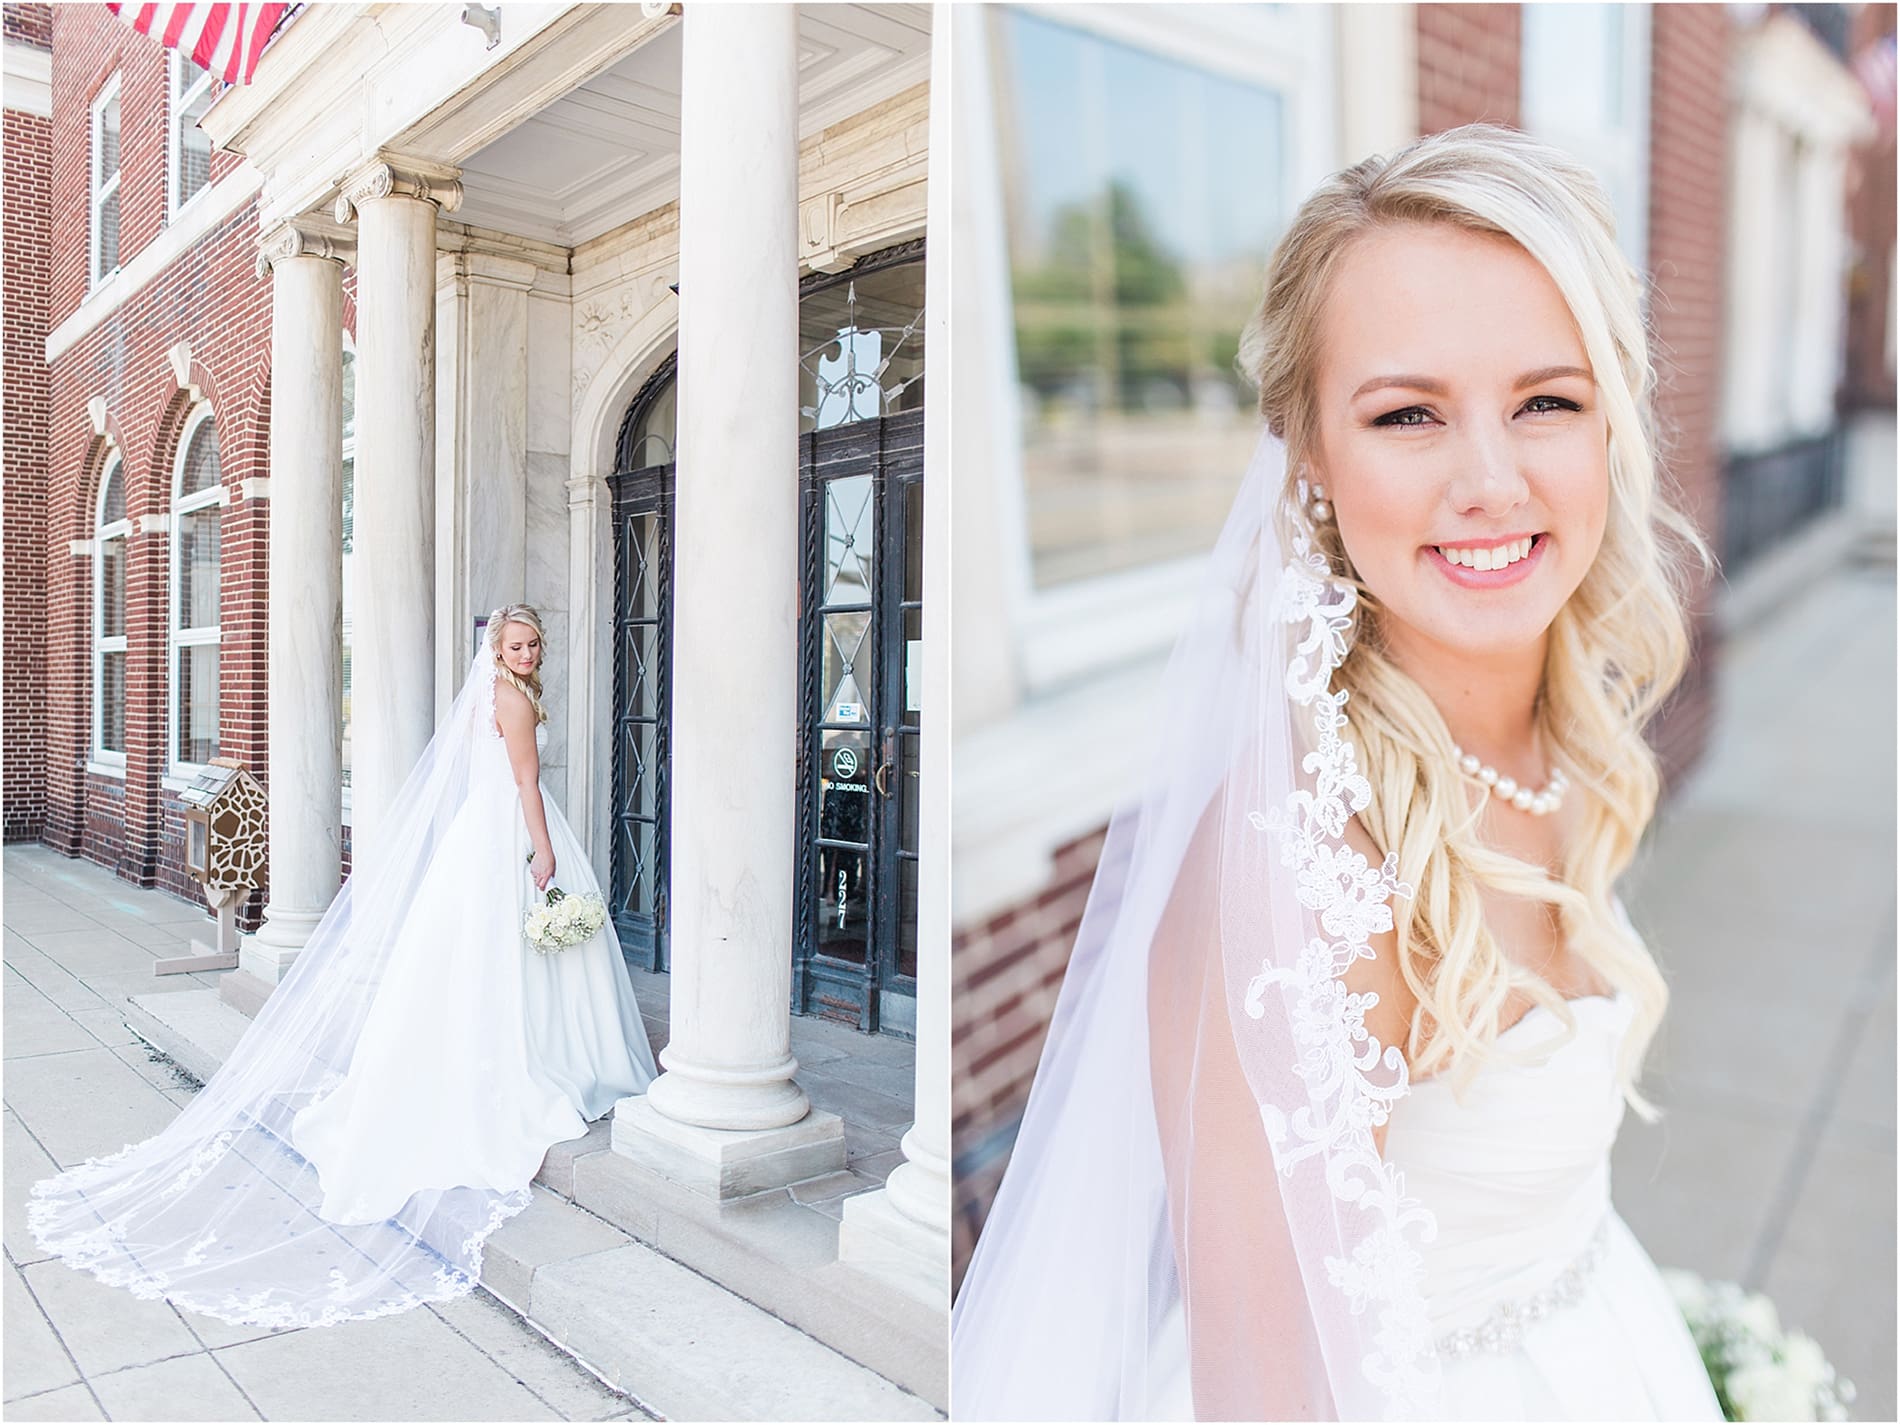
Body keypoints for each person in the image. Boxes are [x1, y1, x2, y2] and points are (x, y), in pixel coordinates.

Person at [951, 125, 1724, 1421]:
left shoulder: (1569, 737)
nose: (1490, 480)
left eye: (1546, 399)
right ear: (1311, 455)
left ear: (1610, 422)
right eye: (1408, 414)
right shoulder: (1305, 872)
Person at [29, 604, 656, 1328]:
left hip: (480, 837)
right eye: (515, 643)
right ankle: (530, 1054)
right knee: (514, 950)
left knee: (487, 958)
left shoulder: (497, 694)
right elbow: (522, 785)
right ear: (496, 647)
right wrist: (543, 852)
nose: (525, 652)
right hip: (513, 829)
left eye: (533, 643)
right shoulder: (513, 700)